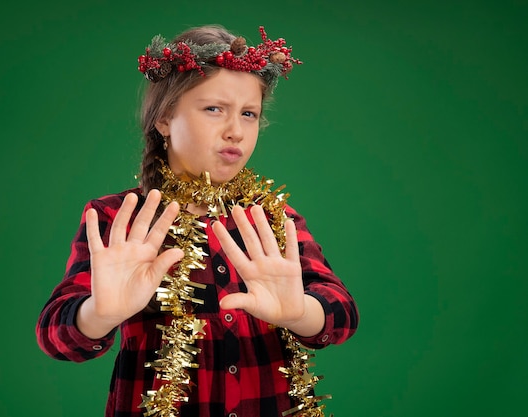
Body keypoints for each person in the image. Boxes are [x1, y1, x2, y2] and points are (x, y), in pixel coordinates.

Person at [36, 24, 358, 417]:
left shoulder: (274, 218)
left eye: (249, 114)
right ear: (164, 119)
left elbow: (341, 314)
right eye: (213, 109)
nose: (235, 131)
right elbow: (56, 337)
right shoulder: (117, 219)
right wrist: (100, 313)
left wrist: (300, 313)